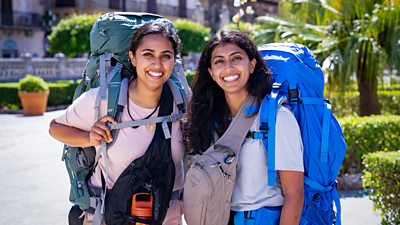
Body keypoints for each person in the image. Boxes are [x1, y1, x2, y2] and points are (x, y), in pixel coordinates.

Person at [49, 21, 184, 225]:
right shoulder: (103, 100)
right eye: (148, 54)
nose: (157, 64)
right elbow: (55, 128)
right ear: (133, 58)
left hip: (166, 216)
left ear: (174, 60)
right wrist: (88, 138)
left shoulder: (183, 102)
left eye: (166, 56)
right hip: (109, 215)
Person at [185, 29, 304, 225]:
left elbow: (295, 194)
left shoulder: (277, 118)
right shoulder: (206, 120)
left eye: (236, 58)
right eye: (219, 62)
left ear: (252, 65)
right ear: (211, 73)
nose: (228, 68)